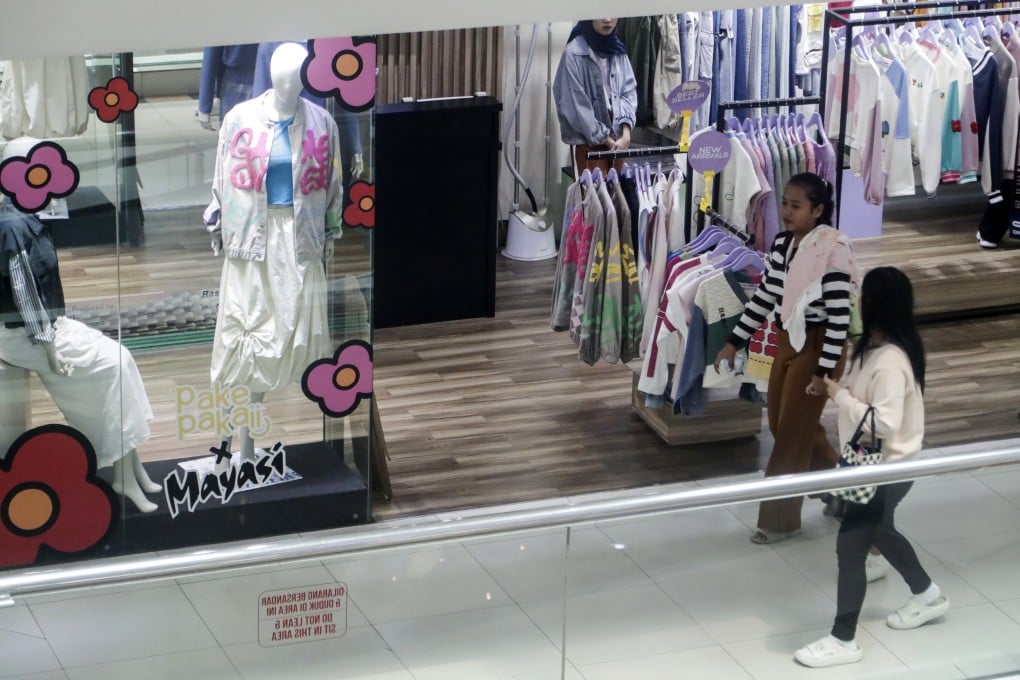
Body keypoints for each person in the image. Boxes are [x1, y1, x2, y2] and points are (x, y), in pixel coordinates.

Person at [794, 267, 950, 668]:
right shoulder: (871, 349)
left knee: (850, 546)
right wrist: (834, 390)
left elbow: (883, 424)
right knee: (880, 530)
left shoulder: (892, 361)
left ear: (875, 305)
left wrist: (838, 396)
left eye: (861, 296)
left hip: (886, 467)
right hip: (866, 463)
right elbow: (859, 397)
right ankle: (928, 595)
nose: (855, 302)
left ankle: (843, 639)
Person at [0, 138, 159, 513]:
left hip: (49, 328)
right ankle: (122, 475)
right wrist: (49, 347)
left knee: (121, 361)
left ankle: (130, 466)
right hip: (24, 336)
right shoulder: (11, 227)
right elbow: (24, 295)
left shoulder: (28, 216)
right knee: (113, 368)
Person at [203, 43, 341, 463]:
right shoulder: (239, 119)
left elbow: (332, 187)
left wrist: (330, 232)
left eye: (296, 76)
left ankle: (245, 435)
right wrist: (216, 220)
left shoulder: (321, 122)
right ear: (270, 73)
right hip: (251, 241)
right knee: (246, 341)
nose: (288, 83)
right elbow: (222, 180)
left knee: (289, 338)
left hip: (298, 241)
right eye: (282, 75)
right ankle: (241, 443)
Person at [714, 172, 857, 544]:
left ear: (818, 210)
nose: (787, 211)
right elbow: (765, 298)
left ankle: (778, 522)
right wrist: (734, 342)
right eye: (785, 204)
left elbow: (840, 319)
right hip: (787, 340)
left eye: (797, 206)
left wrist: (823, 373)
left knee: (791, 435)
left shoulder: (834, 252)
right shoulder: (781, 245)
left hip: (819, 349)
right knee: (784, 427)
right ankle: (842, 491)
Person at [553, 18, 637, 176]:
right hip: (589, 143)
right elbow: (576, 106)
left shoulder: (617, 49)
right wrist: (606, 139)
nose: (608, 19)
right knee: (590, 198)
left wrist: (626, 133)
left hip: (619, 139)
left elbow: (629, 91)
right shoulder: (573, 53)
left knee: (615, 197)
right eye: (600, 13)